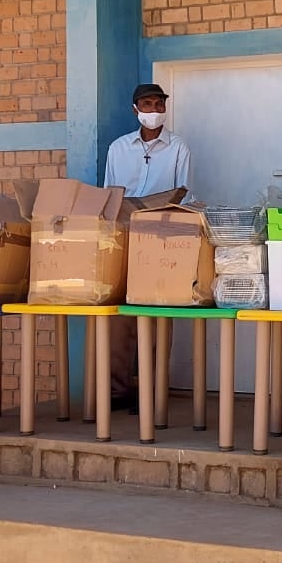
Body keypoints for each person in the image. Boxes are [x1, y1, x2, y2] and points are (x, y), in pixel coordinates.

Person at [102, 84, 193, 412]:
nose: (153, 109)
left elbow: (185, 193)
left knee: (157, 313)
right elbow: (109, 195)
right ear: (135, 108)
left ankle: (153, 391)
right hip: (124, 234)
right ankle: (117, 389)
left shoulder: (178, 147)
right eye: (147, 103)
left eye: (158, 104)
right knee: (119, 316)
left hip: (162, 236)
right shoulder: (118, 148)